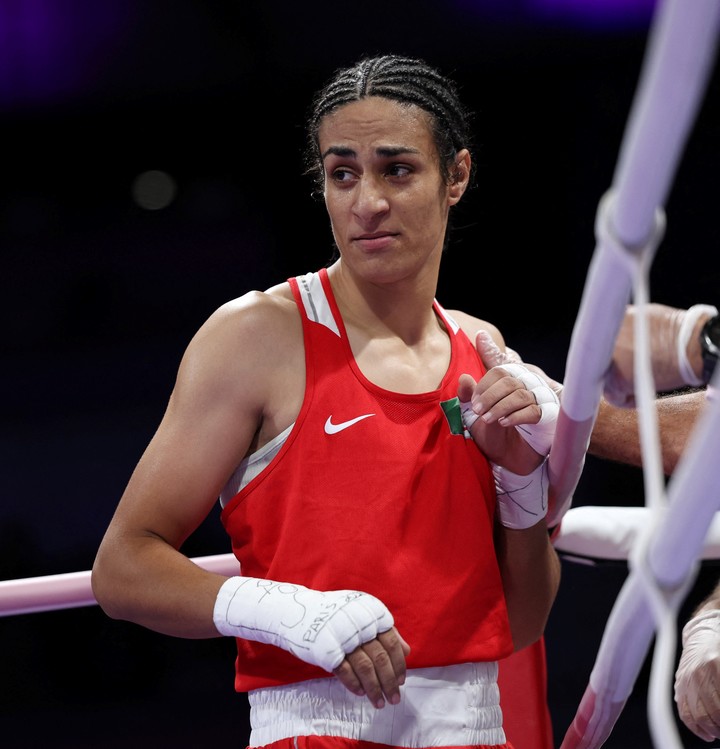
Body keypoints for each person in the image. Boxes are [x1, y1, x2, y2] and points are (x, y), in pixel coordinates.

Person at [91, 54, 562, 749]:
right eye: (343, 173)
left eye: (396, 170)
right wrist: (290, 612)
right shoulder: (257, 336)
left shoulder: (479, 351)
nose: (366, 202)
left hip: (476, 731)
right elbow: (123, 566)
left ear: (456, 176)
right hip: (316, 729)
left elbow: (517, 623)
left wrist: (521, 478)